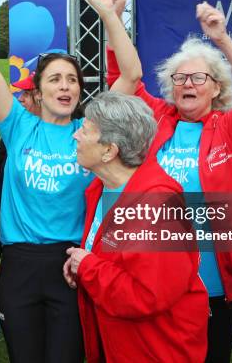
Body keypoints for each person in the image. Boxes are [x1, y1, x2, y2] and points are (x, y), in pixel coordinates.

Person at [0, 0, 141, 362]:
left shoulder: (91, 130)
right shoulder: (18, 126)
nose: (65, 86)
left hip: (72, 261)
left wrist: (108, 15)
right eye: (55, 78)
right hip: (19, 263)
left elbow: (133, 76)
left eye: (72, 79)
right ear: (38, 89)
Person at [107, 1, 232, 361]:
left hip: (213, 283)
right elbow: (123, 78)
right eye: (179, 78)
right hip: (153, 277)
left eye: (199, 78)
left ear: (216, 88)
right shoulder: (153, 119)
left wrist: (222, 39)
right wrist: (112, 17)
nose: (187, 84)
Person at [64, 91, 209, 362]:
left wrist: (88, 268)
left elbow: (146, 295)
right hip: (123, 342)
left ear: (109, 151)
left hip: (157, 348)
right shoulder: (102, 188)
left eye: (84, 130)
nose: (76, 136)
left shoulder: (157, 207)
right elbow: (112, 258)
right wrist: (81, 265)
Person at [0, 72, 40, 255]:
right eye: (20, 94)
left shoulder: (73, 134)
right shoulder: (14, 133)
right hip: (16, 246)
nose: (21, 99)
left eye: (27, 93)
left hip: (55, 245)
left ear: (42, 96)